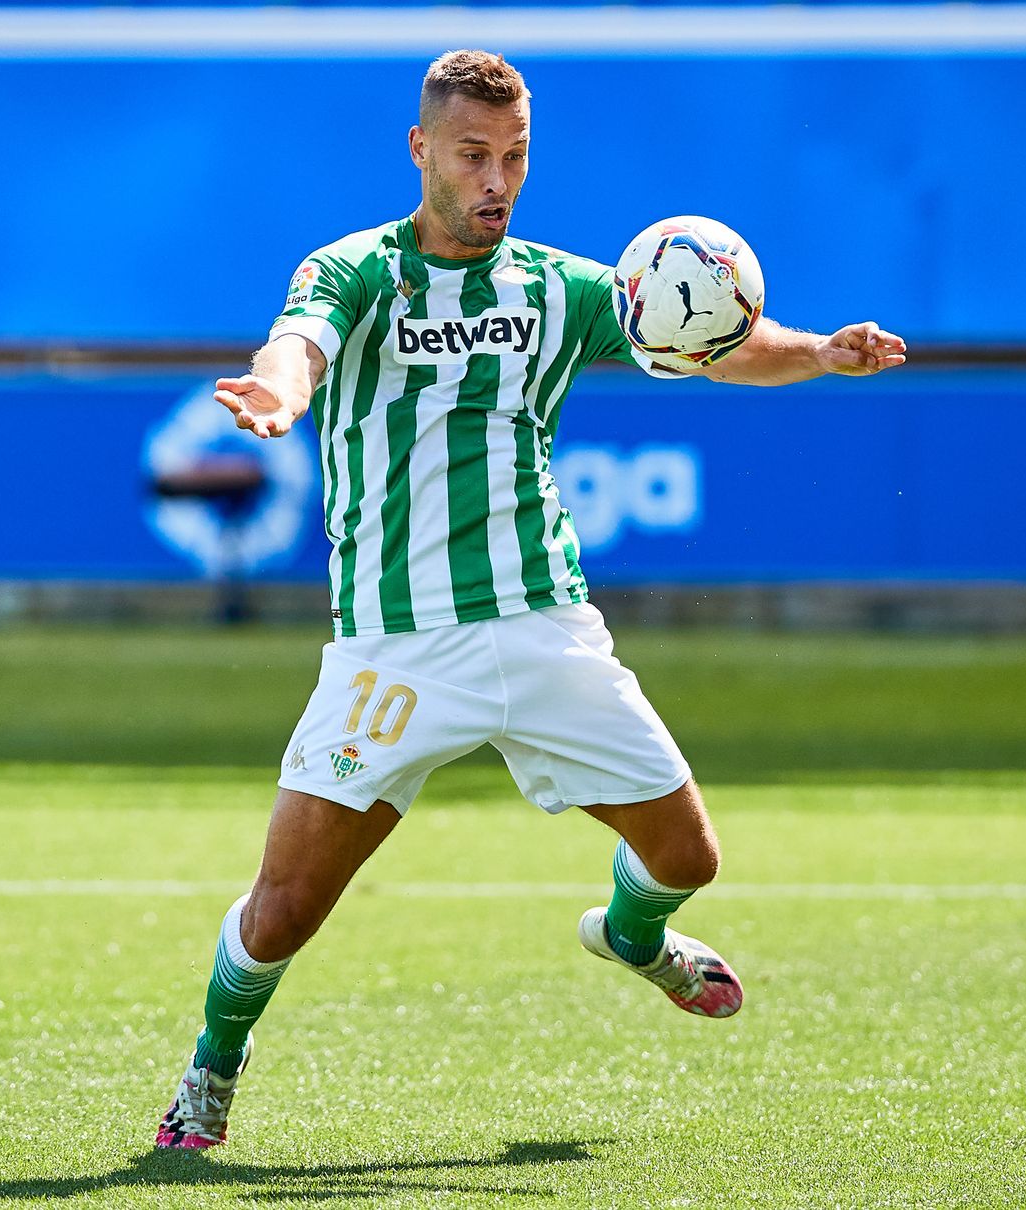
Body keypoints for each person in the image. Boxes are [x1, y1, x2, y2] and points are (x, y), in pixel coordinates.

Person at [155, 48, 907, 1149]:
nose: (495, 178)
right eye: (472, 155)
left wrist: (820, 354)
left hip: (546, 624)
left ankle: (632, 937)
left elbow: (713, 347)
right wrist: (276, 390)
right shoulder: (357, 270)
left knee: (688, 858)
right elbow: (299, 341)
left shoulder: (564, 288)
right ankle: (214, 1066)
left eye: (513, 156)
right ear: (422, 152)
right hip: (393, 651)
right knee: (281, 914)